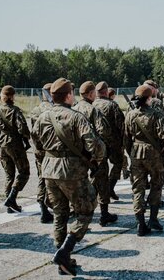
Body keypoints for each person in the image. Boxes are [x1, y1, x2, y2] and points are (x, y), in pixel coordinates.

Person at [31, 78, 105, 276]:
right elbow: (95, 145)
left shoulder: (42, 117)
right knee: (87, 209)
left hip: (49, 170)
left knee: (59, 214)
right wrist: (97, 159)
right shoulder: (76, 117)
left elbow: (36, 146)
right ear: (69, 95)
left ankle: (62, 261)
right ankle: (65, 251)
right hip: (70, 171)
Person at [124, 85, 164, 236]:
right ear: (149, 98)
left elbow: (126, 138)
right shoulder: (156, 114)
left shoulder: (130, 115)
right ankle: (153, 219)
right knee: (156, 185)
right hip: (154, 154)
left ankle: (140, 223)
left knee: (138, 188)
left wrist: (131, 152)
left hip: (136, 153)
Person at [73, 81, 117, 227]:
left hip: (79, 155)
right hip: (94, 153)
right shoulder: (92, 110)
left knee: (82, 184)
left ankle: (81, 215)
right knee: (102, 181)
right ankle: (104, 214)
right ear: (91, 93)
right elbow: (103, 131)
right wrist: (105, 148)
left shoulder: (74, 108)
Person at [0, 86, 31, 213]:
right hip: (15, 144)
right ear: (12, 96)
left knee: (9, 175)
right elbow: (23, 128)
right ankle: (12, 198)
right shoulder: (15, 111)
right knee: (24, 172)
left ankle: (10, 205)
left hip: (2, 144)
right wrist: (27, 137)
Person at [93, 81, 125, 201]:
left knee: (100, 168)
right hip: (113, 143)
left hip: (95, 143)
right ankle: (110, 187)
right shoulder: (112, 105)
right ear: (106, 92)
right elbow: (121, 125)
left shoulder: (91, 104)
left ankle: (96, 193)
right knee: (118, 163)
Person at [30, 83, 54, 223]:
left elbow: (33, 132)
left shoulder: (35, 110)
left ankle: (43, 209)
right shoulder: (53, 109)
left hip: (39, 149)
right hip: (51, 149)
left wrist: (38, 147)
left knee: (41, 177)